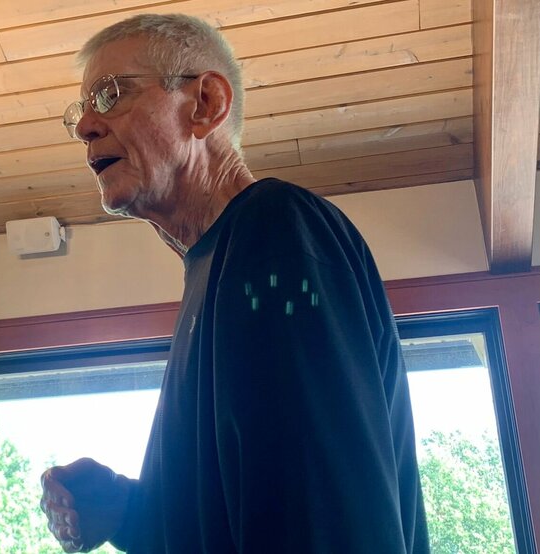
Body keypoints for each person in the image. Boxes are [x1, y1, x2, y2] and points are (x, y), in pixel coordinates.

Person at [40, 13, 429, 554]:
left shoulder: (273, 229)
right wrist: (129, 512)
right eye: (79, 112)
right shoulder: (219, 262)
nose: (85, 125)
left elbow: (322, 515)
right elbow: (256, 500)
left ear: (205, 105)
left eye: (110, 95)